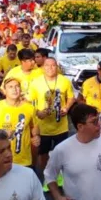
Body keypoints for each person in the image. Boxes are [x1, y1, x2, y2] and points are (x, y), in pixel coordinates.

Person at [28, 57, 75, 190]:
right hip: (43, 126)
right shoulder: (35, 83)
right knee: (43, 154)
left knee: (60, 152)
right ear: (42, 68)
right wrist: (38, 113)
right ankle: (47, 177)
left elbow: (71, 97)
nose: (50, 68)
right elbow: (29, 103)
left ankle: (59, 175)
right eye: (47, 66)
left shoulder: (64, 81)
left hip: (61, 125)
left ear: (57, 67)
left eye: (53, 65)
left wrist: (66, 108)